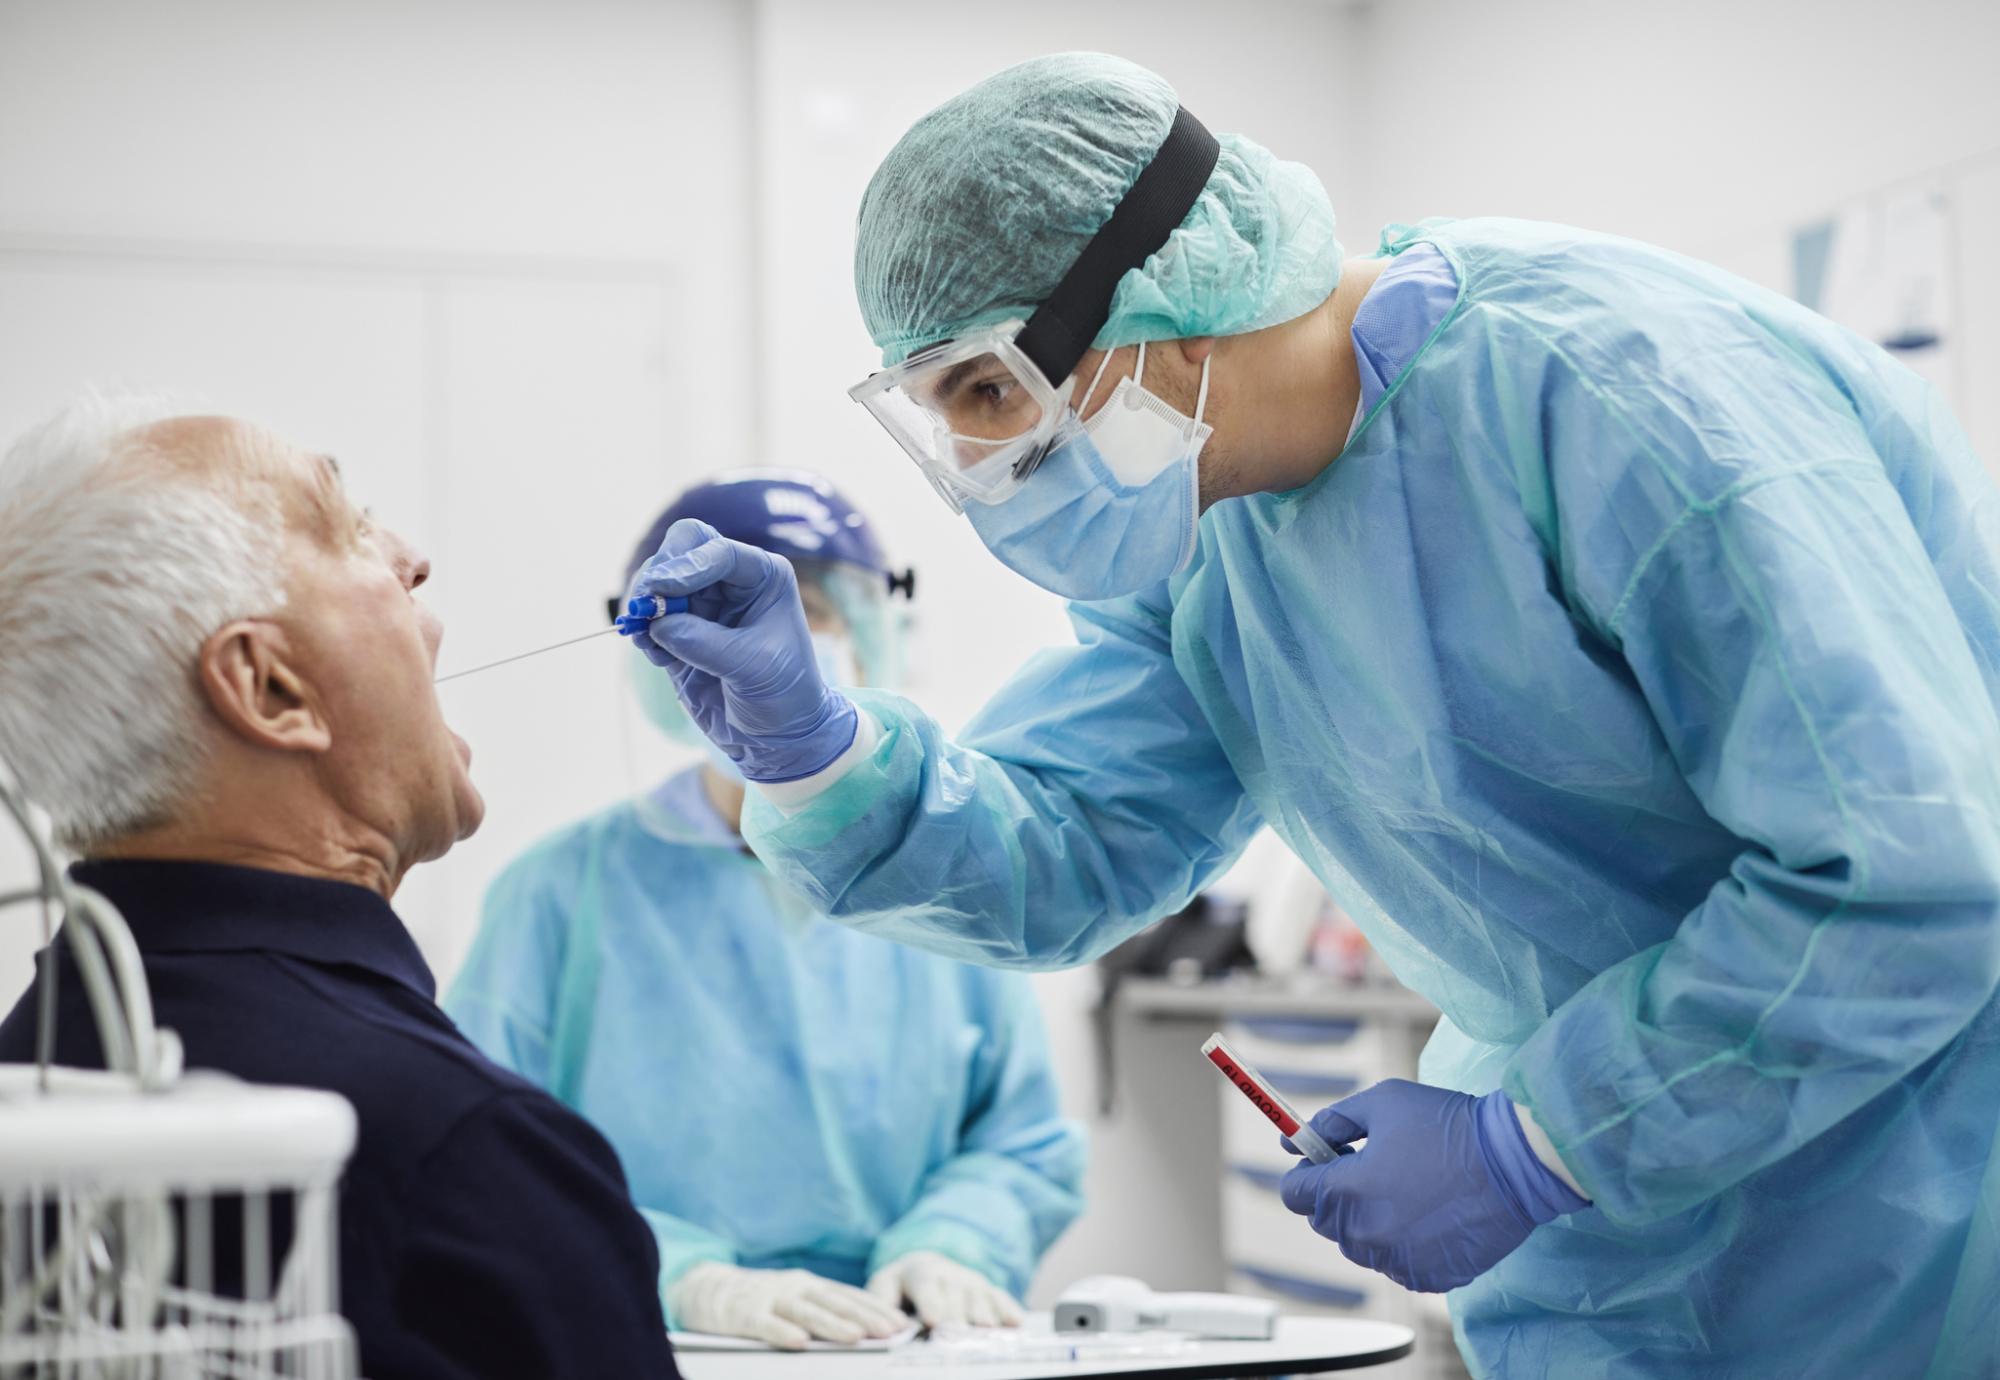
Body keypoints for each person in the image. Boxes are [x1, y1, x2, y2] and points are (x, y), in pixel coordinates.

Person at [619, 52, 2000, 1380]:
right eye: (942, 415)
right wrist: (817, 750)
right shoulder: (1210, 536)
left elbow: (1906, 876)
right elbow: (1072, 849)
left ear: (1164, 297)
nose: (985, 469)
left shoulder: (1619, 394)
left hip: (1916, 1206)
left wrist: (1540, 1141)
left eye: (991, 391)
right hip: (1627, 1259)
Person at [0, 399, 681, 1380]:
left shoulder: (41, 1067)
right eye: (347, 524)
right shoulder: (465, 1156)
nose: (412, 557)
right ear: (270, 689)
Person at [447, 471, 1085, 1351]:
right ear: (665, 656)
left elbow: (1020, 1140)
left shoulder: (944, 871)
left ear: (875, 628)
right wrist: (679, 1275)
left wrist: (956, 1241)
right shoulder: (564, 892)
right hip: (655, 1340)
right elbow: (487, 1157)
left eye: (817, 614)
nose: (780, 651)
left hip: (901, 1341)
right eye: (730, 620)